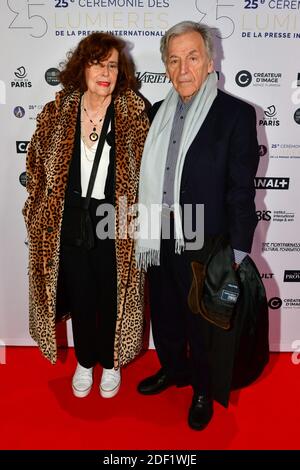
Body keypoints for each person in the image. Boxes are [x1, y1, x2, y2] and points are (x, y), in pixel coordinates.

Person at [135, 21, 261, 430]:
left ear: (210, 62)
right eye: (174, 59)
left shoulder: (236, 115)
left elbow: (241, 190)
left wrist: (238, 253)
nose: (183, 68)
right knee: (167, 312)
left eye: (192, 57)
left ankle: (203, 389)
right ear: (166, 67)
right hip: (159, 231)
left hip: (206, 239)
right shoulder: (154, 114)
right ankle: (174, 368)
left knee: (202, 323)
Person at [23, 32, 149, 399]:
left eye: (112, 64)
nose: (105, 72)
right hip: (69, 217)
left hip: (116, 218)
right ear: (82, 67)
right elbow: (35, 165)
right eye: (98, 63)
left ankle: (110, 364)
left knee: (112, 293)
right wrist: (36, 210)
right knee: (80, 294)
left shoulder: (133, 113)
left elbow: (148, 174)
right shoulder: (58, 110)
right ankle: (85, 360)